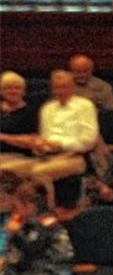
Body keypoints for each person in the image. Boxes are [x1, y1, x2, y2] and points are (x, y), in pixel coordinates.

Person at [0, 70, 99, 210]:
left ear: (72, 87)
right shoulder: (47, 108)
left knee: (37, 172)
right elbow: (44, 140)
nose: (60, 90)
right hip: (45, 157)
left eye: (64, 86)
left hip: (74, 157)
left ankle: (46, 209)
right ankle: (13, 210)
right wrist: (39, 146)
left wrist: (60, 144)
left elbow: (89, 141)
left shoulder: (84, 106)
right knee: (6, 167)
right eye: (57, 87)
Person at [0, 71, 39, 159]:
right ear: (1, 91)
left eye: (17, 88)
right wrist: (15, 139)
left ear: (24, 91)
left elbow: (32, 142)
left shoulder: (31, 112)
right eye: (8, 88)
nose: (13, 91)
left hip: (20, 156)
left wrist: (3, 137)